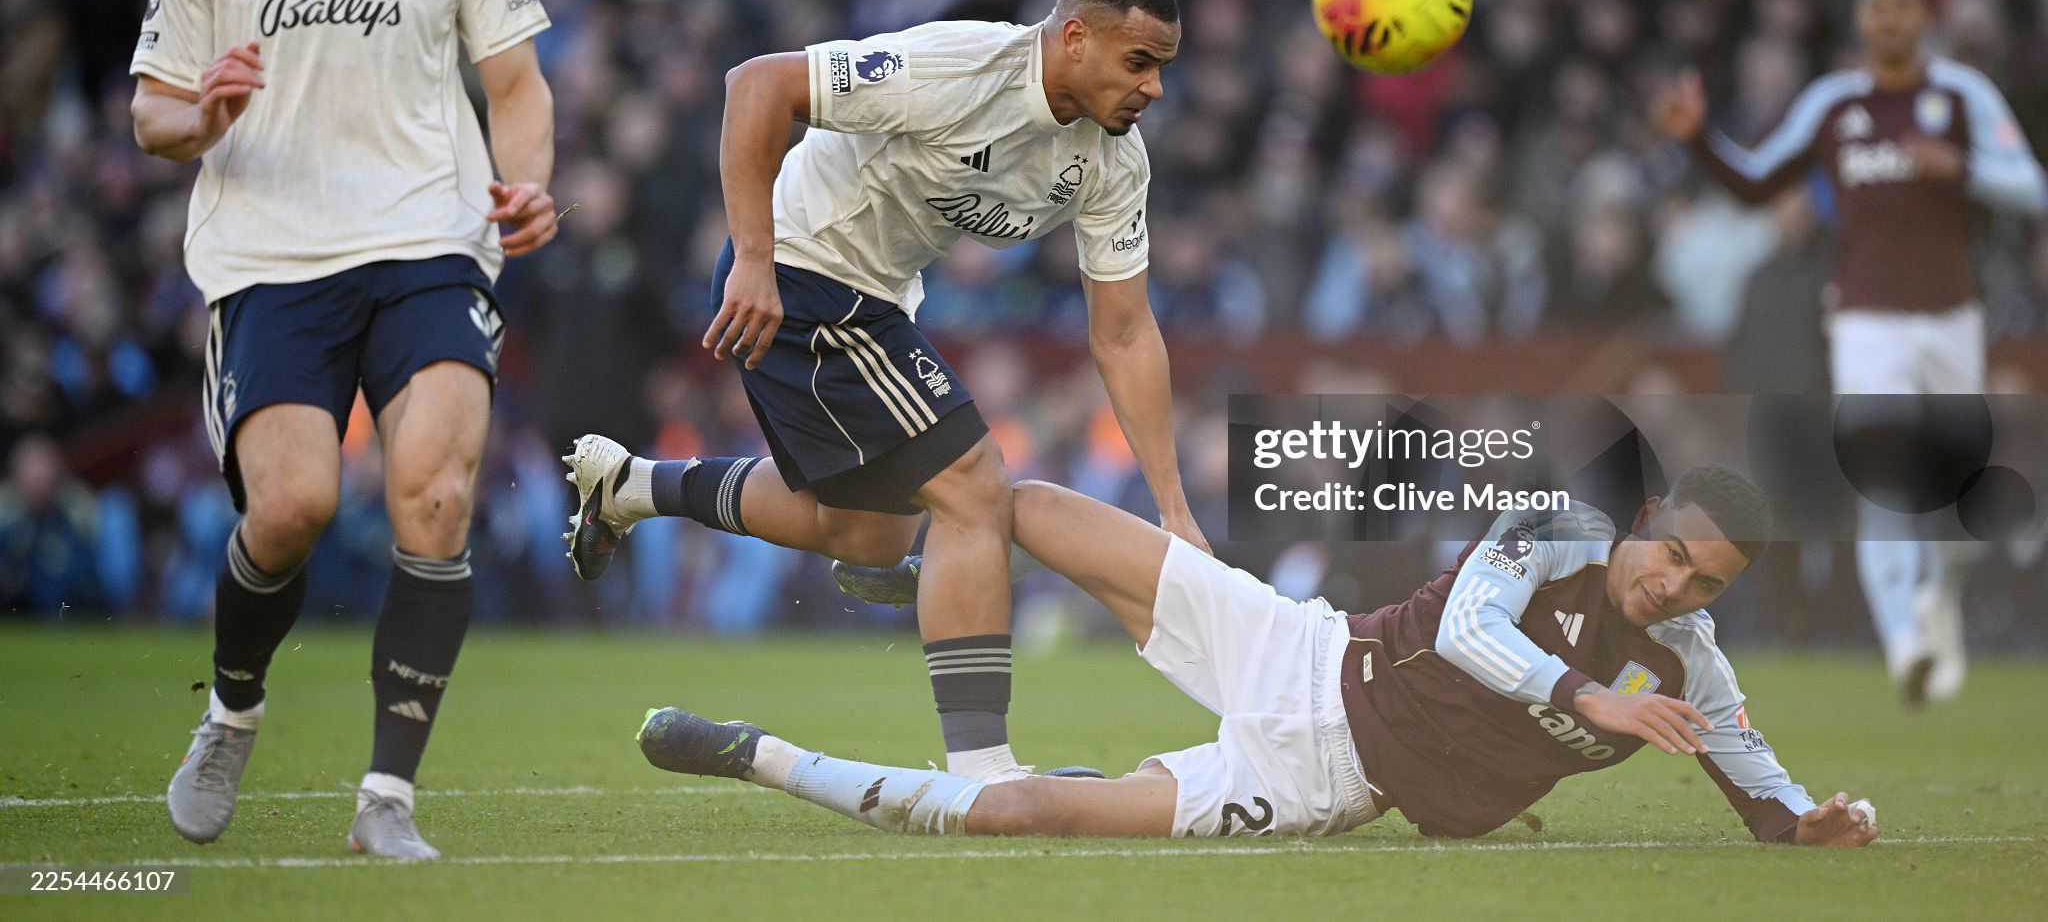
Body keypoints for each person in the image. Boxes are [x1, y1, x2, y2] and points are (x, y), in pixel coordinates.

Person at [564, 0, 1205, 784]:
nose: (1154, 88)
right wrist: (751, 258)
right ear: (1075, 39)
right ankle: (984, 770)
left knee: (868, 532)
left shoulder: (1116, 161)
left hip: (875, 294)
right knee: (974, 482)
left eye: (1162, 68)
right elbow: (756, 84)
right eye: (1139, 62)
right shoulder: (960, 67)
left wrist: (1174, 507)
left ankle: (632, 488)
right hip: (799, 265)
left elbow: (1122, 332)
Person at [132, 0, 557, 859]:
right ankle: (231, 707)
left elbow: (516, 85)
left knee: (432, 495)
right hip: (270, 258)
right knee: (294, 505)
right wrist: (204, 115)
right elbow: (149, 116)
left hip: (428, 241)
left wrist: (525, 182)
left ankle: (386, 801)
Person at [634, 468, 1877, 847]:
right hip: (1305, 648)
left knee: (1014, 812)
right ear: (1648, 521)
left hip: (1322, 783)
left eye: (1702, 584)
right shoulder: (1561, 532)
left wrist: (1801, 821)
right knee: (1010, 497)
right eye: (1672, 556)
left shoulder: (1685, 659)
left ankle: (754, 757)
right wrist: (1581, 698)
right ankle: (896, 559)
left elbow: (1750, 766)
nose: (1670, 585)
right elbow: (1459, 628)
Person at [1653, 0, 2046, 705]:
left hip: (1952, 315)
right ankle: (1905, 646)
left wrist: (1961, 169)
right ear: (1861, 19)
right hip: (1864, 317)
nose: (1889, 18)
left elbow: (2030, 185)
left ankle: (1938, 599)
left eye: (1903, 4)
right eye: (1876, 6)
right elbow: (1759, 178)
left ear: (1923, 15)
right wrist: (1700, 137)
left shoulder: (1962, 94)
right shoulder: (1834, 104)